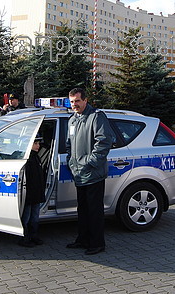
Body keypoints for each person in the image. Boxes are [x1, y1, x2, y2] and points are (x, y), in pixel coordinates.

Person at [65, 87, 113, 255]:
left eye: (77, 101)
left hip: (93, 173)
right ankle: (83, 239)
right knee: (83, 210)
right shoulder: (72, 120)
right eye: (72, 102)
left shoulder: (96, 117)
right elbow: (69, 144)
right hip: (79, 173)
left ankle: (97, 243)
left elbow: (104, 142)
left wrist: (90, 162)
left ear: (85, 100)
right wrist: (71, 161)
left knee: (94, 211)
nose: (74, 104)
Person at [18, 134, 46, 247]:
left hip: (36, 193)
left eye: (38, 143)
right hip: (29, 194)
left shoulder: (36, 157)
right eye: (35, 143)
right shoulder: (27, 159)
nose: (38, 146)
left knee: (34, 217)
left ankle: (34, 236)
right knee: (26, 217)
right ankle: (25, 238)